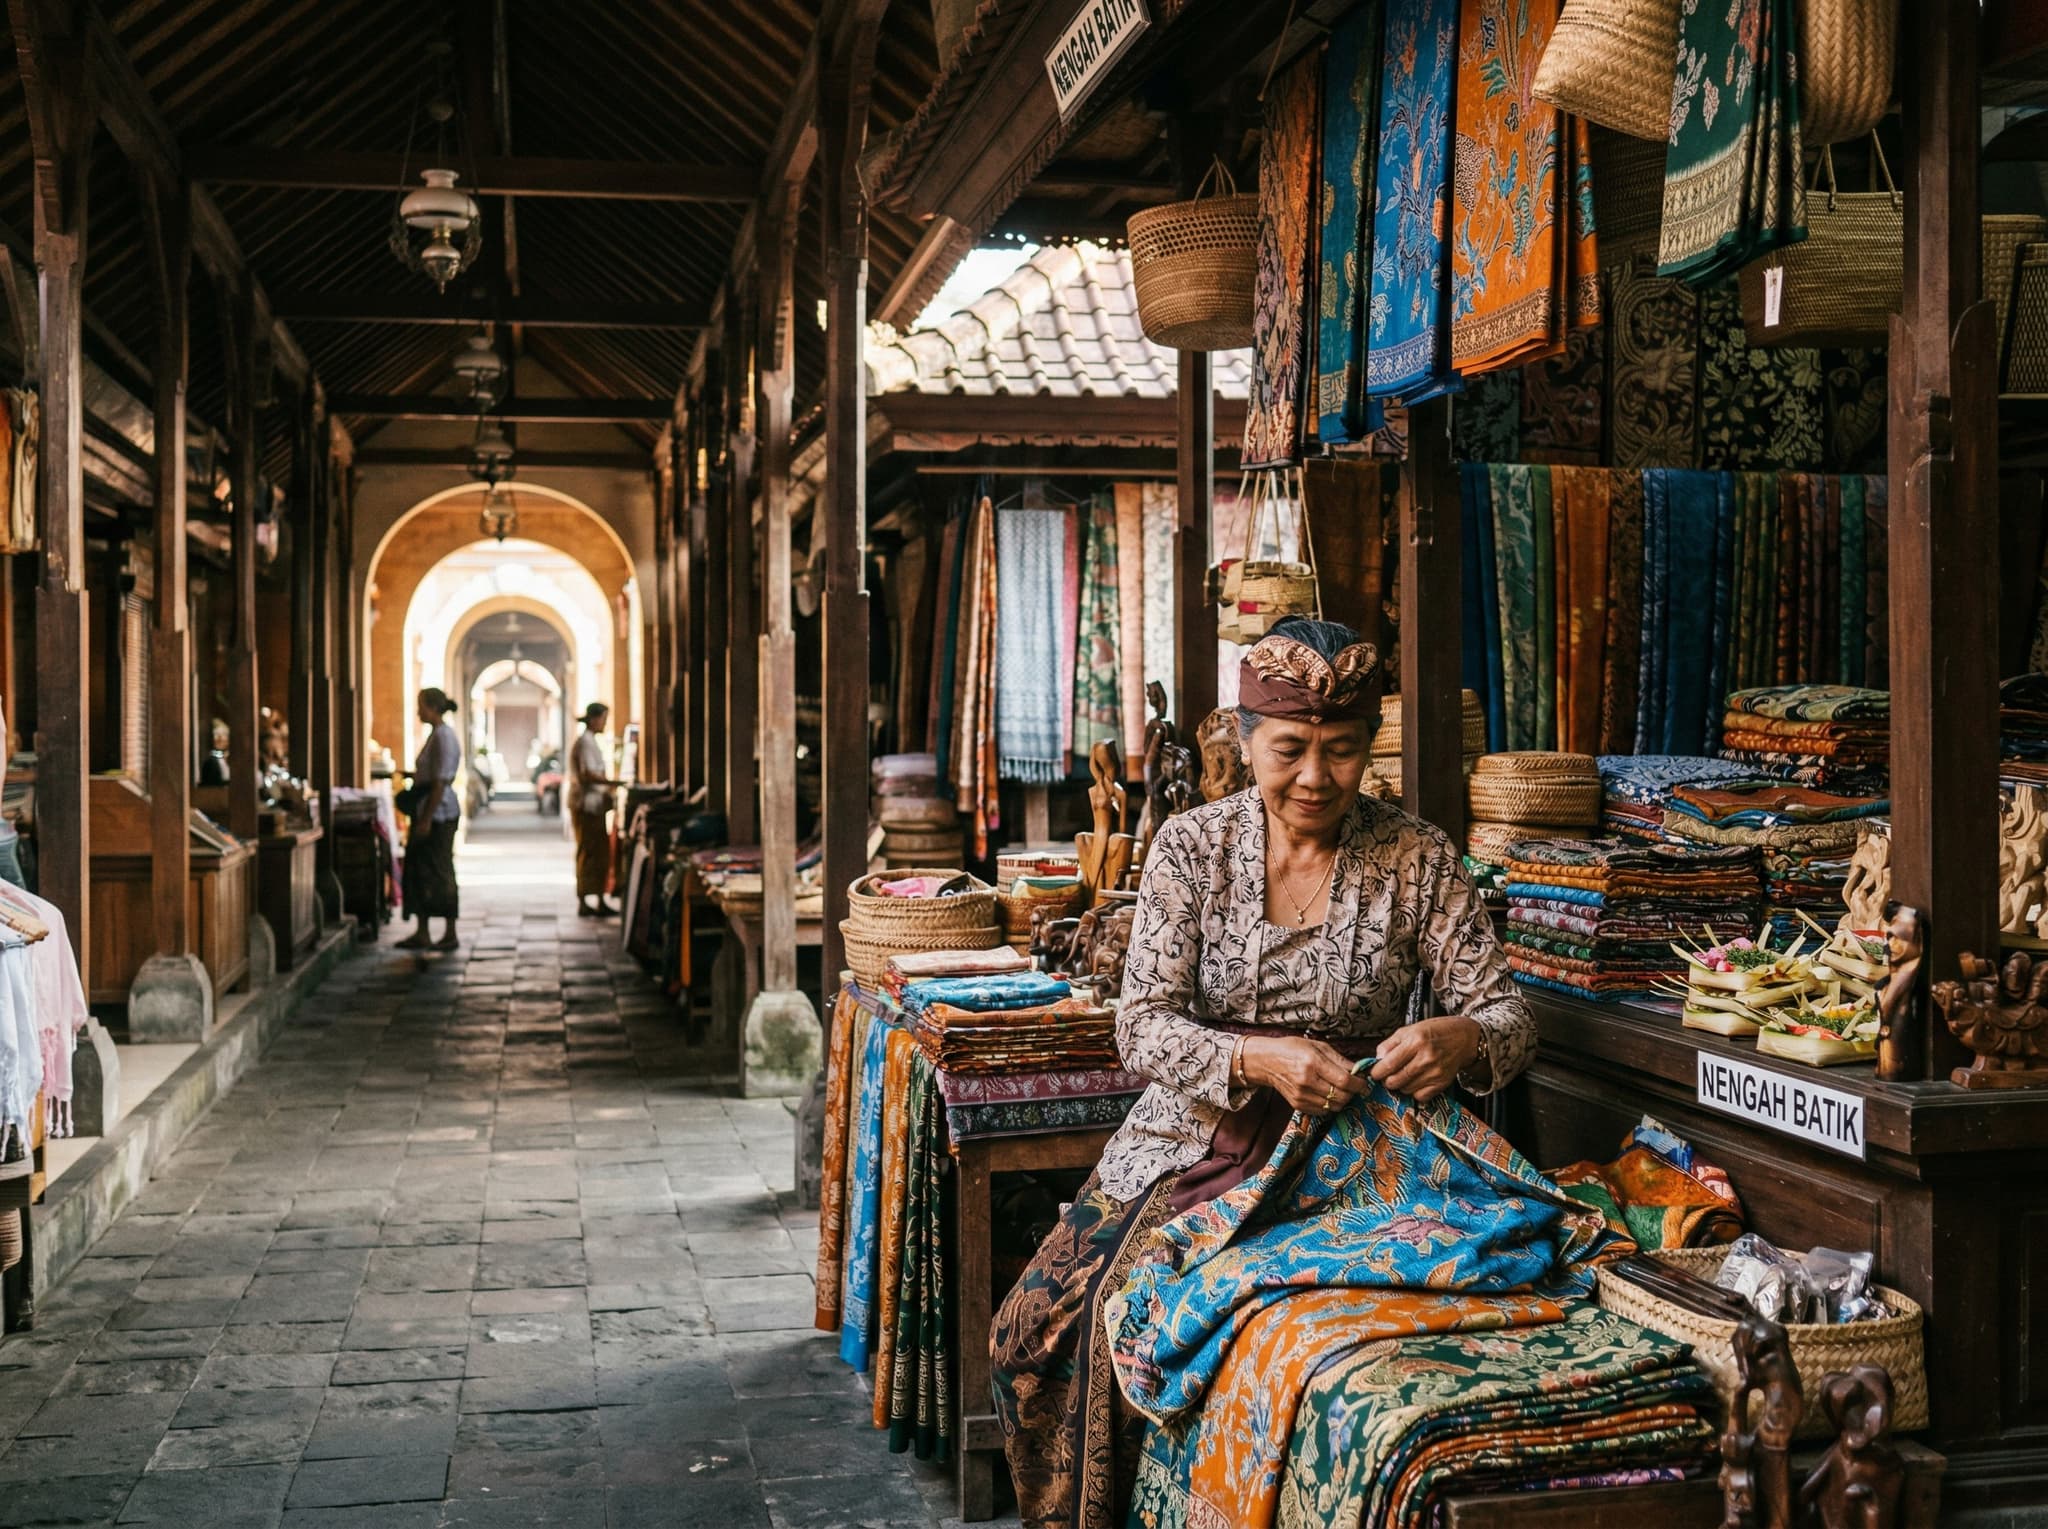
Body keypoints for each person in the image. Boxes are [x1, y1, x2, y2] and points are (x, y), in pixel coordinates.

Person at [989, 617, 1537, 1529]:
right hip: (1199, 1138)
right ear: (1245, 743)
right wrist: (1254, 1056)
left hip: (1364, 1153)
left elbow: (1513, 1020)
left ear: (1369, 748)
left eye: (1343, 750)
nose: (1316, 776)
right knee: (1033, 1335)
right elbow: (1141, 1026)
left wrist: (1464, 1040)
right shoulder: (1191, 848)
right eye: (1289, 749)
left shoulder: (1418, 857)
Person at [398, 688, 462, 951]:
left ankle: (449, 932)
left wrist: (425, 819)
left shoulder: (444, 737)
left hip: (438, 813)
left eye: (421, 706)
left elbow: (439, 782)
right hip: (428, 809)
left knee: (439, 870)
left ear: (433, 708)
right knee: (419, 869)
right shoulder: (436, 735)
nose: (418, 712)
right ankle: (422, 930)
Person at [568, 703, 623, 917]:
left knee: (599, 852)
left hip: (594, 805)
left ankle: (599, 898)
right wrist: (613, 782)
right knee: (588, 851)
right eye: (603, 719)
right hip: (586, 805)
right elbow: (587, 774)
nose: (605, 723)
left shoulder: (590, 741)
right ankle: (585, 899)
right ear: (593, 719)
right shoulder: (585, 742)